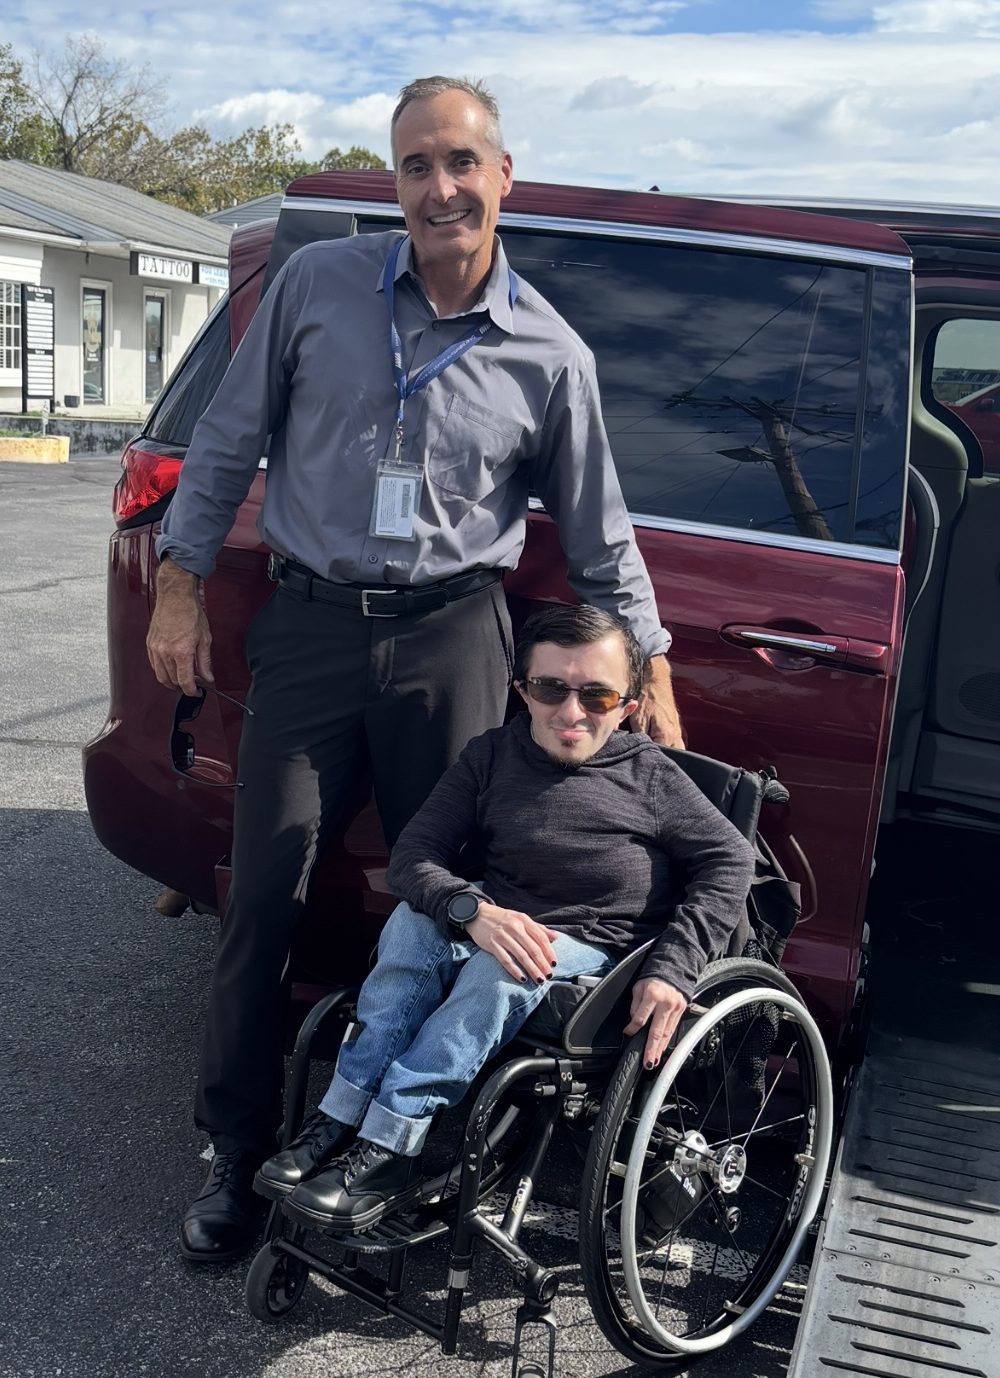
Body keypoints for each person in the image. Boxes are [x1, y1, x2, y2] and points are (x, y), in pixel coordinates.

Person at [147, 74, 684, 1263]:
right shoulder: (315, 287)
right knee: (265, 898)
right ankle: (236, 1158)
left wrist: (646, 663)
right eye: (414, 168)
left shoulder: (550, 352)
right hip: (310, 628)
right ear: (396, 184)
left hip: (453, 640)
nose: (438, 188)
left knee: (453, 903)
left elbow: (599, 536)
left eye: (459, 163)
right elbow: (227, 442)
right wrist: (178, 580)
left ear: (503, 177)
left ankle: (404, 1157)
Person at [252, 605, 753, 1232]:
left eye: (596, 696)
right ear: (523, 692)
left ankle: (389, 1147)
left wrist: (674, 969)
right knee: (413, 921)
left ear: (626, 706)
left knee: (504, 965)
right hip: (498, 920)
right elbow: (415, 855)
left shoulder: (649, 776)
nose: (571, 713)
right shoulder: (493, 754)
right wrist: (474, 912)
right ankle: (340, 1117)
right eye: (551, 689)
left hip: (599, 953)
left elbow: (730, 859)